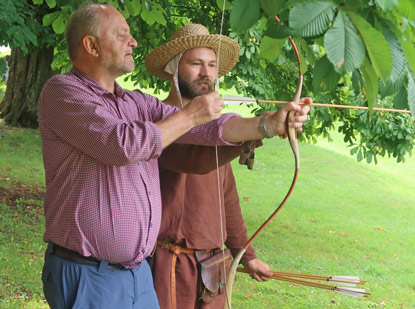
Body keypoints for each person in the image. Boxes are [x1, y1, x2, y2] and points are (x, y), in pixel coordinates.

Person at [38, 4, 310, 309]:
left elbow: (207, 131)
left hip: (137, 275)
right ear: (91, 45)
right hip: (91, 273)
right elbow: (123, 145)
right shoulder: (63, 92)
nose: (133, 42)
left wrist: (266, 125)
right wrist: (192, 114)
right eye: (122, 34)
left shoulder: (135, 103)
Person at [144, 24, 277, 309]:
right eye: (196, 63)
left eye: (212, 64)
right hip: (169, 266)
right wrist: (261, 128)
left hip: (213, 268)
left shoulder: (217, 131)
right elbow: (192, 158)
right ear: (172, 68)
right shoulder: (156, 124)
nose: (207, 73)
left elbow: (226, 199)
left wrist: (247, 254)